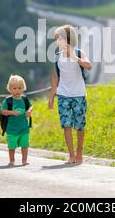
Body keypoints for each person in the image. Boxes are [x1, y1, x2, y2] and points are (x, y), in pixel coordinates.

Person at [48, 25, 92, 164]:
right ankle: (71, 155)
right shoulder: (57, 57)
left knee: (79, 125)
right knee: (66, 125)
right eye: (56, 39)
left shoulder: (79, 53)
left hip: (79, 94)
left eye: (59, 38)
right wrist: (51, 96)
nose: (57, 41)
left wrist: (74, 57)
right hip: (63, 95)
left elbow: (89, 66)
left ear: (68, 39)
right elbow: (55, 78)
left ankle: (79, 153)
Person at [1, 75, 33, 166]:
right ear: (10, 89)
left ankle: (24, 160)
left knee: (25, 145)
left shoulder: (25, 99)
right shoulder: (8, 101)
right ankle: (12, 160)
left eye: (20, 88)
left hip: (24, 128)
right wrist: (12, 112)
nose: (17, 90)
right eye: (14, 88)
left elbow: (31, 106)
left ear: (23, 88)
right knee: (12, 146)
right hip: (11, 129)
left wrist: (29, 111)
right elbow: (3, 112)